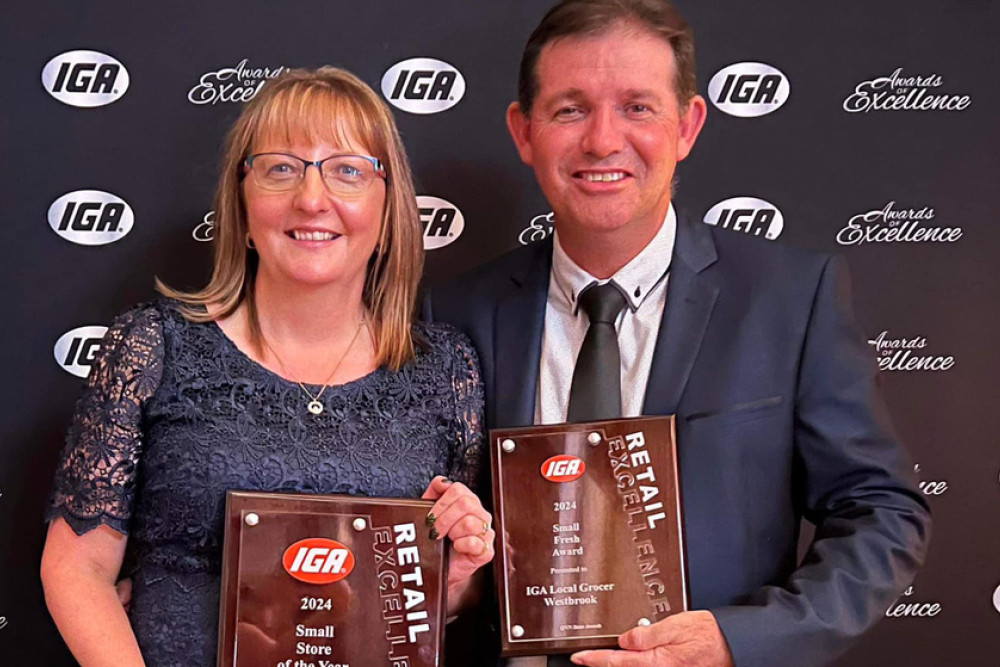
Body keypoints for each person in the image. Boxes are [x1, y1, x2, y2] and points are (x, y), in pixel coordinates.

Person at [422, 1, 932, 666]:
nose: (603, 140)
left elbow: (882, 510)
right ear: (524, 132)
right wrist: (453, 587)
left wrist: (738, 640)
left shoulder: (787, 299)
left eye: (637, 107)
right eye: (570, 108)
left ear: (687, 125)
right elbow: (432, 544)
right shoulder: (452, 313)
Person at [40, 67, 495, 667]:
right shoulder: (155, 345)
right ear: (242, 201)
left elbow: (442, 600)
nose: (312, 198)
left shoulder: (446, 369)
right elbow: (76, 569)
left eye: (348, 171)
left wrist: (457, 573)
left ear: (388, 212)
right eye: (281, 168)